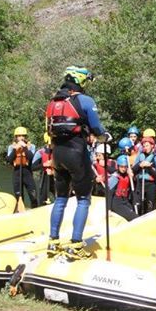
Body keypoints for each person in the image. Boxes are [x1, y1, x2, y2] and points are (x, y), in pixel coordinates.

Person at [45, 66, 111, 260]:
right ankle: (76, 244)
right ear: (81, 82)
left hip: (57, 154)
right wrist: (104, 136)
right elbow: (97, 128)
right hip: (76, 153)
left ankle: (53, 241)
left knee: (61, 198)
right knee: (83, 199)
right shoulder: (84, 100)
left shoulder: (53, 102)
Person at [6, 126, 39, 208]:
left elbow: (31, 157)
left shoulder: (31, 146)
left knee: (33, 196)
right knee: (19, 197)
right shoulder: (11, 147)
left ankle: (35, 208)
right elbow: (9, 160)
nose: (21, 138)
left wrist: (24, 147)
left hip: (27, 172)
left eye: (23, 136)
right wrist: (15, 149)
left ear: (25, 137)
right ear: (16, 137)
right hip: (17, 173)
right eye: (19, 136)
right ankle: (21, 211)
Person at [132, 136, 156, 214]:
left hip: (151, 185)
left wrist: (149, 166)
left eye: (147, 145)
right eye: (144, 146)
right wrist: (139, 165)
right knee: (139, 206)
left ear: (152, 146)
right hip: (140, 183)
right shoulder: (140, 156)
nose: (145, 147)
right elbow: (133, 170)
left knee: (150, 206)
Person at [107, 155, 137, 221]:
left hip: (125, 201)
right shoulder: (114, 177)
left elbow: (134, 187)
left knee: (135, 215)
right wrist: (108, 209)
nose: (123, 169)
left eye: (125, 167)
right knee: (134, 217)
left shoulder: (128, 176)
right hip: (117, 203)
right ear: (118, 166)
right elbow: (109, 194)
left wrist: (132, 177)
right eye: (121, 167)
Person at [32, 133, 55, 205]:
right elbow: (33, 167)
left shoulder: (58, 151)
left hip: (56, 177)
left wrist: (53, 166)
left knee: (60, 197)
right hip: (44, 177)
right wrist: (44, 165)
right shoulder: (40, 152)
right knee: (42, 199)